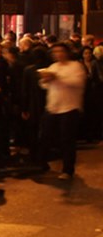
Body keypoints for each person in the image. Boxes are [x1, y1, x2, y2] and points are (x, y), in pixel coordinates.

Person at [37, 42, 87, 180]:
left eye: (60, 51)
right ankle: (42, 163)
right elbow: (44, 86)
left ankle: (67, 169)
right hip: (53, 106)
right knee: (45, 136)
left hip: (69, 107)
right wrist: (45, 79)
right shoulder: (53, 67)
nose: (58, 54)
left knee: (67, 140)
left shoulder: (75, 66)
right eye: (55, 52)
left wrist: (57, 78)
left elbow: (78, 82)